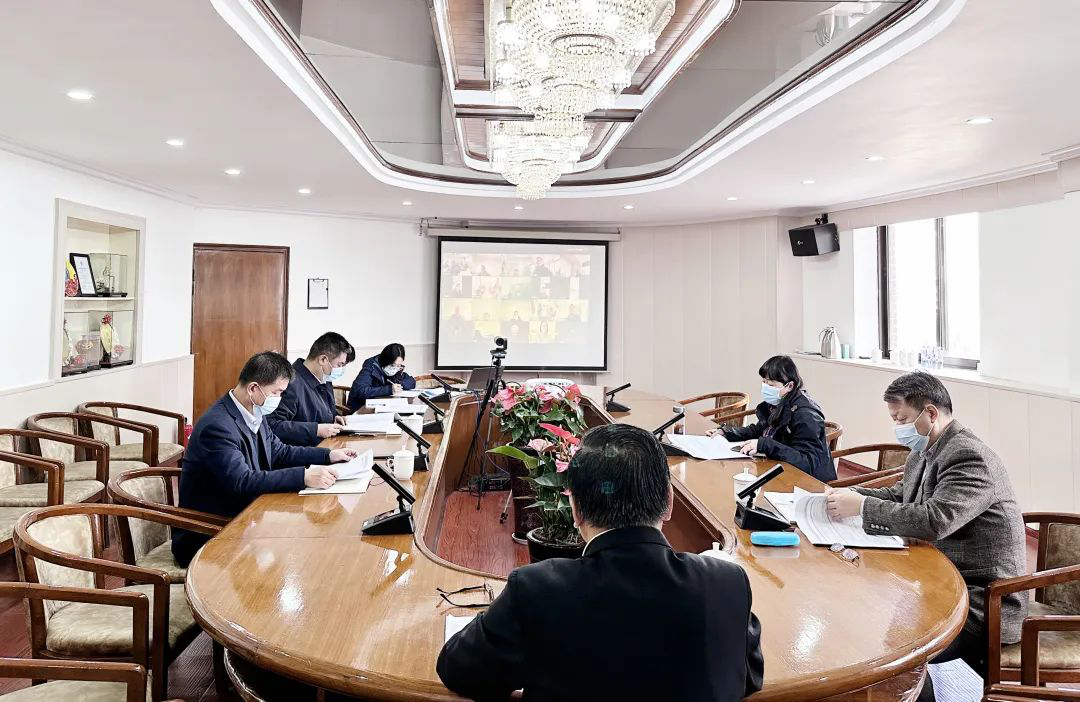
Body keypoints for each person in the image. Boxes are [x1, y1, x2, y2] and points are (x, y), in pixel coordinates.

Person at [437, 424, 763, 701]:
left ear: (576, 510)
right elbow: (748, 677)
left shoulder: (536, 589)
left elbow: (459, 669)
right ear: (668, 502)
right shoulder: (728, 583)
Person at [824, 372, 1027, 701]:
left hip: (984, 600)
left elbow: (935, 520)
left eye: (901, 419)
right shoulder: (924, 450)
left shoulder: (968, 456)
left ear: (930, 413)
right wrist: (845, 497)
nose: (897, 427)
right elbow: (900, 495)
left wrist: (860, 507)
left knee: (890, 645)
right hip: (941, 580)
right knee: (864, 614)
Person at [173, 351, 355, 566]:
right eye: (277, 392)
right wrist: (304, 477)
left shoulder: (253, 411)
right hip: (211, 531)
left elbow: (280, 452)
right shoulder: (217, 426)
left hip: (247, 517)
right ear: (253, 388)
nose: (279, 399)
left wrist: (328, 455)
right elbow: (242, 480)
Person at [715, 355, 834, 481]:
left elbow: (807, 463)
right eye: (764, 382)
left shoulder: (806, 414)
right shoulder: (777, 403)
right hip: (780, 470)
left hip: (806, 482)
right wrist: (727, 432)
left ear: (789, 386)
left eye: (771, 384)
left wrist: (765, 445)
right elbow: (759, 429)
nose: (765, 388)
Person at [265, 332, 354, 447]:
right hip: (301, 451)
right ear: (323, 359)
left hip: (327, 444)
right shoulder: (290, 383)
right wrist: (315, 429)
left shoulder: (325, 378)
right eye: (339, 365)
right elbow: (273, 426)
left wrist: (334, 418)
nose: (340, 369)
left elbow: (324, 412)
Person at [347, 343, 416, 411]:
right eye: (393, 365)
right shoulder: (371, 367)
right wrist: (389, 389)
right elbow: (361, 391)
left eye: (398, 365)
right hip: (361, 409)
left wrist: (400, 385)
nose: (395, 369)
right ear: (386, 361)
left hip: (381, 407)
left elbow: (411, 381)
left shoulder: (397, 369)